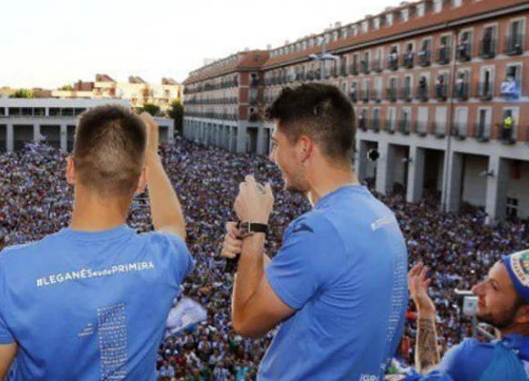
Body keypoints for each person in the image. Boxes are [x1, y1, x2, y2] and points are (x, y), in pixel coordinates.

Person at [0, 107, 193, 380]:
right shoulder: (163, 257)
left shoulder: (14, 268)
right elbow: (173, 224)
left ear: (70, 169)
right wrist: (152, 155)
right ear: (141, 180)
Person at [221, 83, 409, 380]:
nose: (271, 157)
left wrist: (254, 227)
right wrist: (249, 251)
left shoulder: (321, 229)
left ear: (304, 148)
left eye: (276, 144)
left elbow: (246, 322)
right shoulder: (381, 214)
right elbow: (313, 280)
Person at [405, 250, 529, 380]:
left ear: (525, 314)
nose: (476, 289)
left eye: (494, 286)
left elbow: (427, 371)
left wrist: (425, 312)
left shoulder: (471, 359)